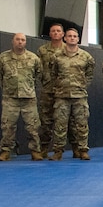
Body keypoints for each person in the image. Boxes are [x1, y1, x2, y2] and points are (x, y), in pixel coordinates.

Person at [0, 32, 42, 161]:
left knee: (33, 127)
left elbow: (39, 75)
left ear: (25, 42)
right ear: (13, 41)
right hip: (10, 98)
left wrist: (29, 87)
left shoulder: (34, 58)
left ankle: (35, 151)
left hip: (29, 98)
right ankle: (5, 151)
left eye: (23, 40)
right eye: (18, 39)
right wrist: (7, 86)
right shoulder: (3, 58)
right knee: (7, 126)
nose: (20, 42)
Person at [52, 26, 94, 160]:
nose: (72, 38)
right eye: (69, 36)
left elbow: (90, 74)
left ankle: (83, 150)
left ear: (78, 39)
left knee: (82, 124)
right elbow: (53, 74)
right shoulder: (57, 56)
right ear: (65, 38)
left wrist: (82, 85)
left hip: (79, 95)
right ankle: (58, 151)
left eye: (74, 36)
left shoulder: (86, 57)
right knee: (60, 124)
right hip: (62, 95)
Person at [36, 22, 66, 160]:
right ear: (50, 34)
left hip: (64, 90)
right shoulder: (42, 50)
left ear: (63, 34)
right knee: (45, 121)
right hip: (47, 89)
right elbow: (38, 69)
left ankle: (62, 150)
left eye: (58, 31)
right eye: (53, 31)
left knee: (64, 120)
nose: (55, 33)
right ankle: (43, 148)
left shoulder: (68, 49)